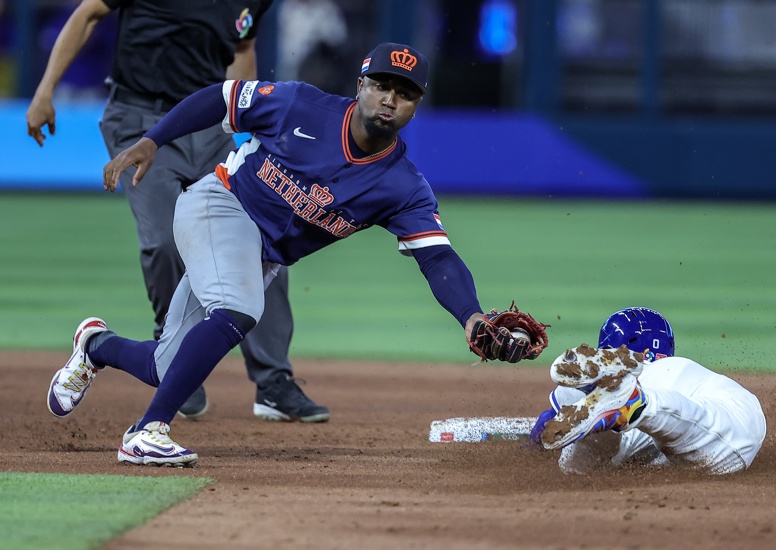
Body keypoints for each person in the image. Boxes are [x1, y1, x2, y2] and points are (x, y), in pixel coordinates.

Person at [46, 42, 527, 467]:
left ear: (416, 106)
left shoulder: (403, 186)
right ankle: (146, 434)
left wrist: (471, 316)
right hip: (219, 204)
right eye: (381, 85)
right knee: (239, 308)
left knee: (168, 367)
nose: (390, 99)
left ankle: (94, 346)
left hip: (259, 256)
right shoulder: (301, 105)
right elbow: (221, 97)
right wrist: (154, 140)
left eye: (404, 93)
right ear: (360, 85)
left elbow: (438, 258)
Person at [26, 0, 329, 423]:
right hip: (139, 116)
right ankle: (174, 351)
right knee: (165, 241)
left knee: (265, 241)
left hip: (211, 123)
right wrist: (44, 91)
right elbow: (87, 14)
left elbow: (242, 50)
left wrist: (252, 121)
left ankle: (273, 380)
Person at [531, 307, 767, 475]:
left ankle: (634, 404)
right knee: (686, 425)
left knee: (577, 468)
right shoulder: (679, 367)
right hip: (744, 405)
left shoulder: (649, 378)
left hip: (659, 401)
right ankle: (632, 404)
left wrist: (533, 444)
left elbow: (545, 424)